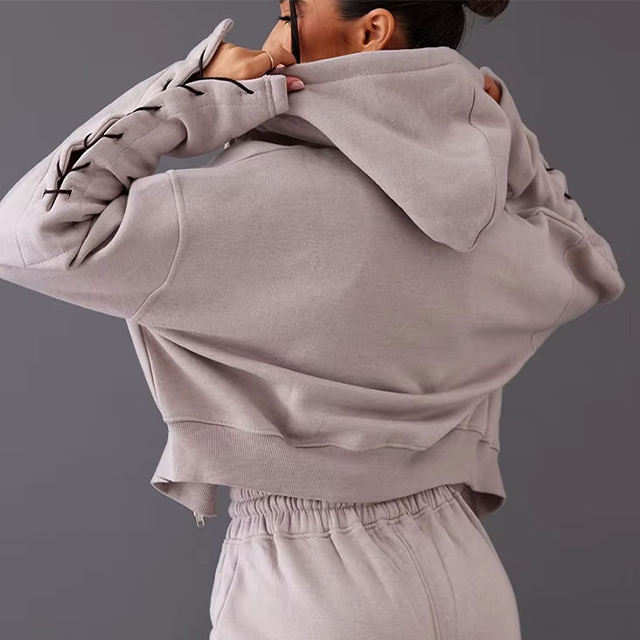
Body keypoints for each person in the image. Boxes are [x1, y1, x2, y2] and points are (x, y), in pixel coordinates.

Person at [0, 1, 625, 639]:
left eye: (288, 13)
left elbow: (29, 233)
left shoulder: (248, 199)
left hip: (312, 589)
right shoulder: (491, 214)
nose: (272, 34)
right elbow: (590, 261)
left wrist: (194, 89)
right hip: (465, 575)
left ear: (372, 30)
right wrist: (500, 122)